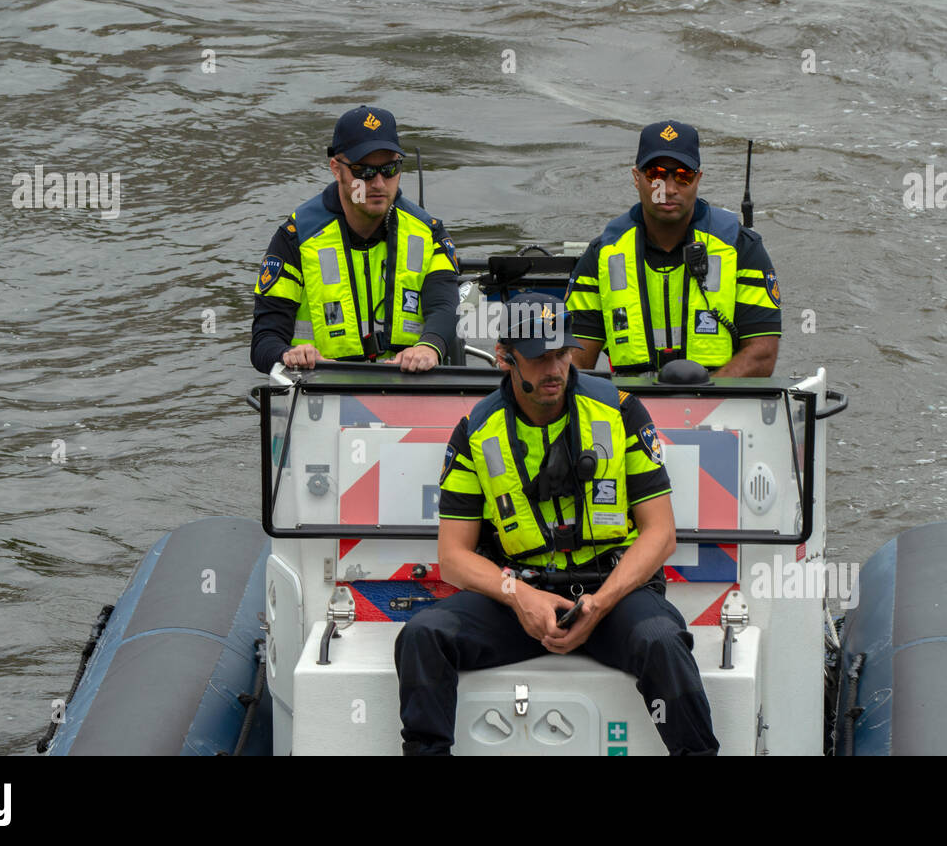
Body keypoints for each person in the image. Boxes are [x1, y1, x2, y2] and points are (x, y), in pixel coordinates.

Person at [393, 293, 719, 755]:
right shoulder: (475, 431)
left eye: (563, 353)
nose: (555, 369)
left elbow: (660, 534)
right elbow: (453, 557)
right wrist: (521, 597)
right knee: (422, 637)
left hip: (614, 592)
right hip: (519, 601)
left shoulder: (621, 411)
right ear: (506, 358)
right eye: (539, 357)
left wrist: (599, 606)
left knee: (662, 641)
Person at [250, 105, 459, 373]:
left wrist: (429, 346)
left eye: (390, 169)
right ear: (336, 169)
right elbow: (263, 341)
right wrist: (289, 354)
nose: (379, 184)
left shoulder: (429, 233)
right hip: (320, 394)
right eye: (364, 171)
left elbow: (445, 306)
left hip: (407, 389)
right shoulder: (295, 238)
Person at [566, 120, 781, 376]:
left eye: (683, 176)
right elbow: (574, 362)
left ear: (698, 179)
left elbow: (762, 354)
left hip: (721, 405)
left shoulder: (741, 248)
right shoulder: (602, 254)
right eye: (655, 175)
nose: (668, 189)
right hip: (630, 406)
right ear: (637, 178)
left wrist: (701, 398)